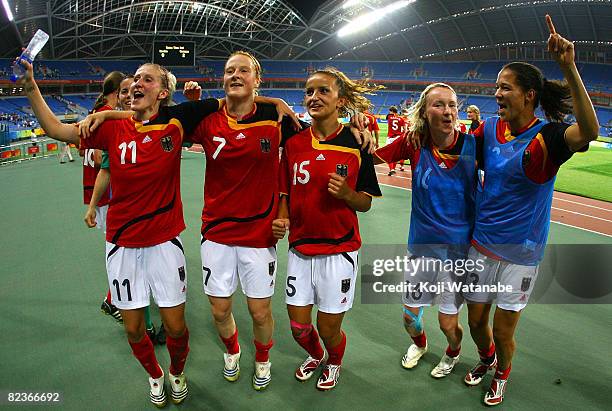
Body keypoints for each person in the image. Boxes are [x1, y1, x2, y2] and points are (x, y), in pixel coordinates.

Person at [17, 59, 227, 407]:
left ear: (162, 92)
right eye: (133, 82)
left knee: (176, 328)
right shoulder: (111, 130)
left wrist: (278, 103)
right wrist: (29, 86)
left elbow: (232, 102)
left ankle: (176, 370)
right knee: (132, 329)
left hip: (164, 243)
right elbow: (56, 129)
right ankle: (155, 376)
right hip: (121, 245)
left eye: (146, 80)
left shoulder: (177, 122)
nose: (136, 85)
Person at [185, 51, 370, 391]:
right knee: (224, 311)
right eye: (229, 70)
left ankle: (273, 359)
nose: (235, 75)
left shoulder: (282, 123)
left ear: (258, 79)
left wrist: (358, 130)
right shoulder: (210, 119)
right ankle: (236, 351)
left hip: (265, 236)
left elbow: (359, 193)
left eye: (244, 70)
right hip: (219, 232)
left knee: (264, 314)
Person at [461, 15, 599, 406]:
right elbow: (456, 154)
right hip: (481, 247)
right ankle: (486, 360)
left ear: (529, 96)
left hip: (520, 255)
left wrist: (568, 66)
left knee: (504, 332)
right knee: (475, 322)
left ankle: (501, 372)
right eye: (496, 87)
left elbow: (588, 131)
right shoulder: (487, 129)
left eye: (505, 87)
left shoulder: (549, 138)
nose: (497, 93)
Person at [272, 67, 382, 390]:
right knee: (298, 325)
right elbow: (285, 191)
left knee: (328, 326)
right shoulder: (293, 142)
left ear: (340, 99)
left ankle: (334, 360)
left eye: (323, 91)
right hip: (301, 250)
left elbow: (365, 202)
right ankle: (317, 354)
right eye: (309, 92)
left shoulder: (355, 143)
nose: (314, 97)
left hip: (339, 250)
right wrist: (282, 217)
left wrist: (347, 194)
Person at [375, 83, 476, 379]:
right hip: (421, 248)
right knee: (409, 317)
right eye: (438, 104)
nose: (447, 111)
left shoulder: (473, 146)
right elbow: (370, 159)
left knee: (448, 323)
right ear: (423, 111)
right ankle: (419, 345)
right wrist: (356, 138)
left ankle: (453, 352)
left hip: (459, 251)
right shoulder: (414, 143)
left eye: (452, 104)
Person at [84, 71, 124, 324]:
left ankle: (115, 296)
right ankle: (114, 299)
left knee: (115, 247)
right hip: (107, 192)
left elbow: (84, 154)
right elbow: (101, 159)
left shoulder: (96, 112)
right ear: (117, 91)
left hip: (94, 191)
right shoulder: (106, 115)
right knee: (117, 249)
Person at [385, 106, 406, 175]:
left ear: (391, 111)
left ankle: (391, 169)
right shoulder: (401, 119)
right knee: (396, 154)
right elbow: (404, 130)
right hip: (398, 138)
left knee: (389, 154)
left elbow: (388, 117)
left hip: (390, 137)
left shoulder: (389, 117)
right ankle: (394, 168)